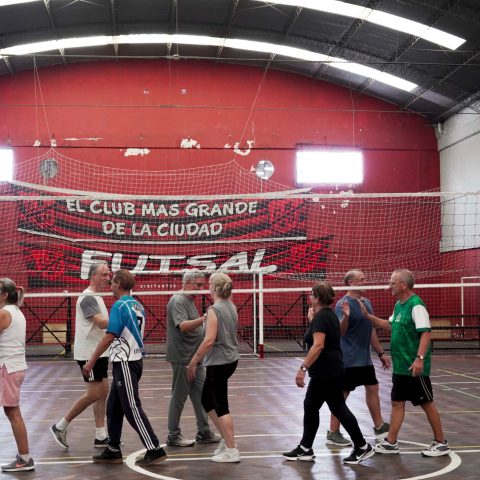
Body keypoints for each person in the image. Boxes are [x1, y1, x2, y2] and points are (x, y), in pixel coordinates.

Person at [360, 268, 451, 457]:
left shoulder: (416, 305)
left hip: (414, 367)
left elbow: (426, 333)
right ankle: (391, 442)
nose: (389, 286)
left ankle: (441, 443)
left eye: (392, 283)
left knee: (427, 403)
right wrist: (367, 316)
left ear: (403, 285)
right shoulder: (399, 305)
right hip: (401, 367)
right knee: (397, 402)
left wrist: (419, 359)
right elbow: (389, 325)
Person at [283, 282, 374, 465]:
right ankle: (306, 448)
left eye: (312, 294)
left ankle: (362, 446)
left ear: (317, 298)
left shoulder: (322, 317)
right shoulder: (327, 315)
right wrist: (313, 321)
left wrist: (302, 369)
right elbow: (332, 335)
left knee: (334, 408)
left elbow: (319, 345)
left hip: (326, 371)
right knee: (315, 406)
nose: (310, 297)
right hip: (330, 369)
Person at [82, 269, 167, 466]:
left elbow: (110, 336)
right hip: (129, 361)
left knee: (131, 407)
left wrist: (92, 360)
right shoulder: (137, 305)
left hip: (127, 362)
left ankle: (154, 448)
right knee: (113, 407)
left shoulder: (119, 305)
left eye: (112, 282)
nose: (110, 286)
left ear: (119, 284)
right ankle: (113, 448)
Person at [50, 262, 111, 450]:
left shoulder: (98, 297)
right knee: (94, 393)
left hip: (100, 352)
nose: (108, 278)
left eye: (108, 274)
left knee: (103, 391)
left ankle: (101, 435)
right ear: (93, 276)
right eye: (104, 274)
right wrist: (124, 317)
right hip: (89, 354)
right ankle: (60, 426)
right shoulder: (87, 298)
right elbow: (101, 323)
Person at [327, 269, 390, 447]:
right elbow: (340, 332)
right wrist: (346, 317)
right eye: (361, 279)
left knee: (373, 387)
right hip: (348, 358)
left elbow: (371, 330)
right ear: (351, 283)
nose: (365, 281)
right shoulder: (342, 304)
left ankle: (379, 426)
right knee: (342, 393)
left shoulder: (366, 303)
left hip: (364, 358)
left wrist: (381, 353)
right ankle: (333, 432)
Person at [186, 273, 240, 463]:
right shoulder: (231, 306)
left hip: (219, 362)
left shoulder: (214, 310)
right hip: (230, 360)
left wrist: (193, 362)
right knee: (206, 399)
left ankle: (232, 450)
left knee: (221, 406)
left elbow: (209, 340)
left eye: (209, 283)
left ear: (214, 288)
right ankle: (226, 439)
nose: (207, 286)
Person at [166, 270, 220, 447]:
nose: (201, 288)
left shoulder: (188, 300)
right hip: (183, 358)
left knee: (202, 396)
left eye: (202, 285)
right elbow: (182, 326)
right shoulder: (178, 300)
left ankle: (204, 432)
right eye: (198, 285)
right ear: (187, 283)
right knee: (179, 397)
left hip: (194, 359)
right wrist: (204, 319)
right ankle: (173, 435)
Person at [0, 278, 35, 472]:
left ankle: (25, 458)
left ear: (5, 294)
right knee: (12, 412)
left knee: (13, 414)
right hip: (14, 368)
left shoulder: (4, 313)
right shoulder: (15, 311)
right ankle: (24, 457)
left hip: (8, 368)